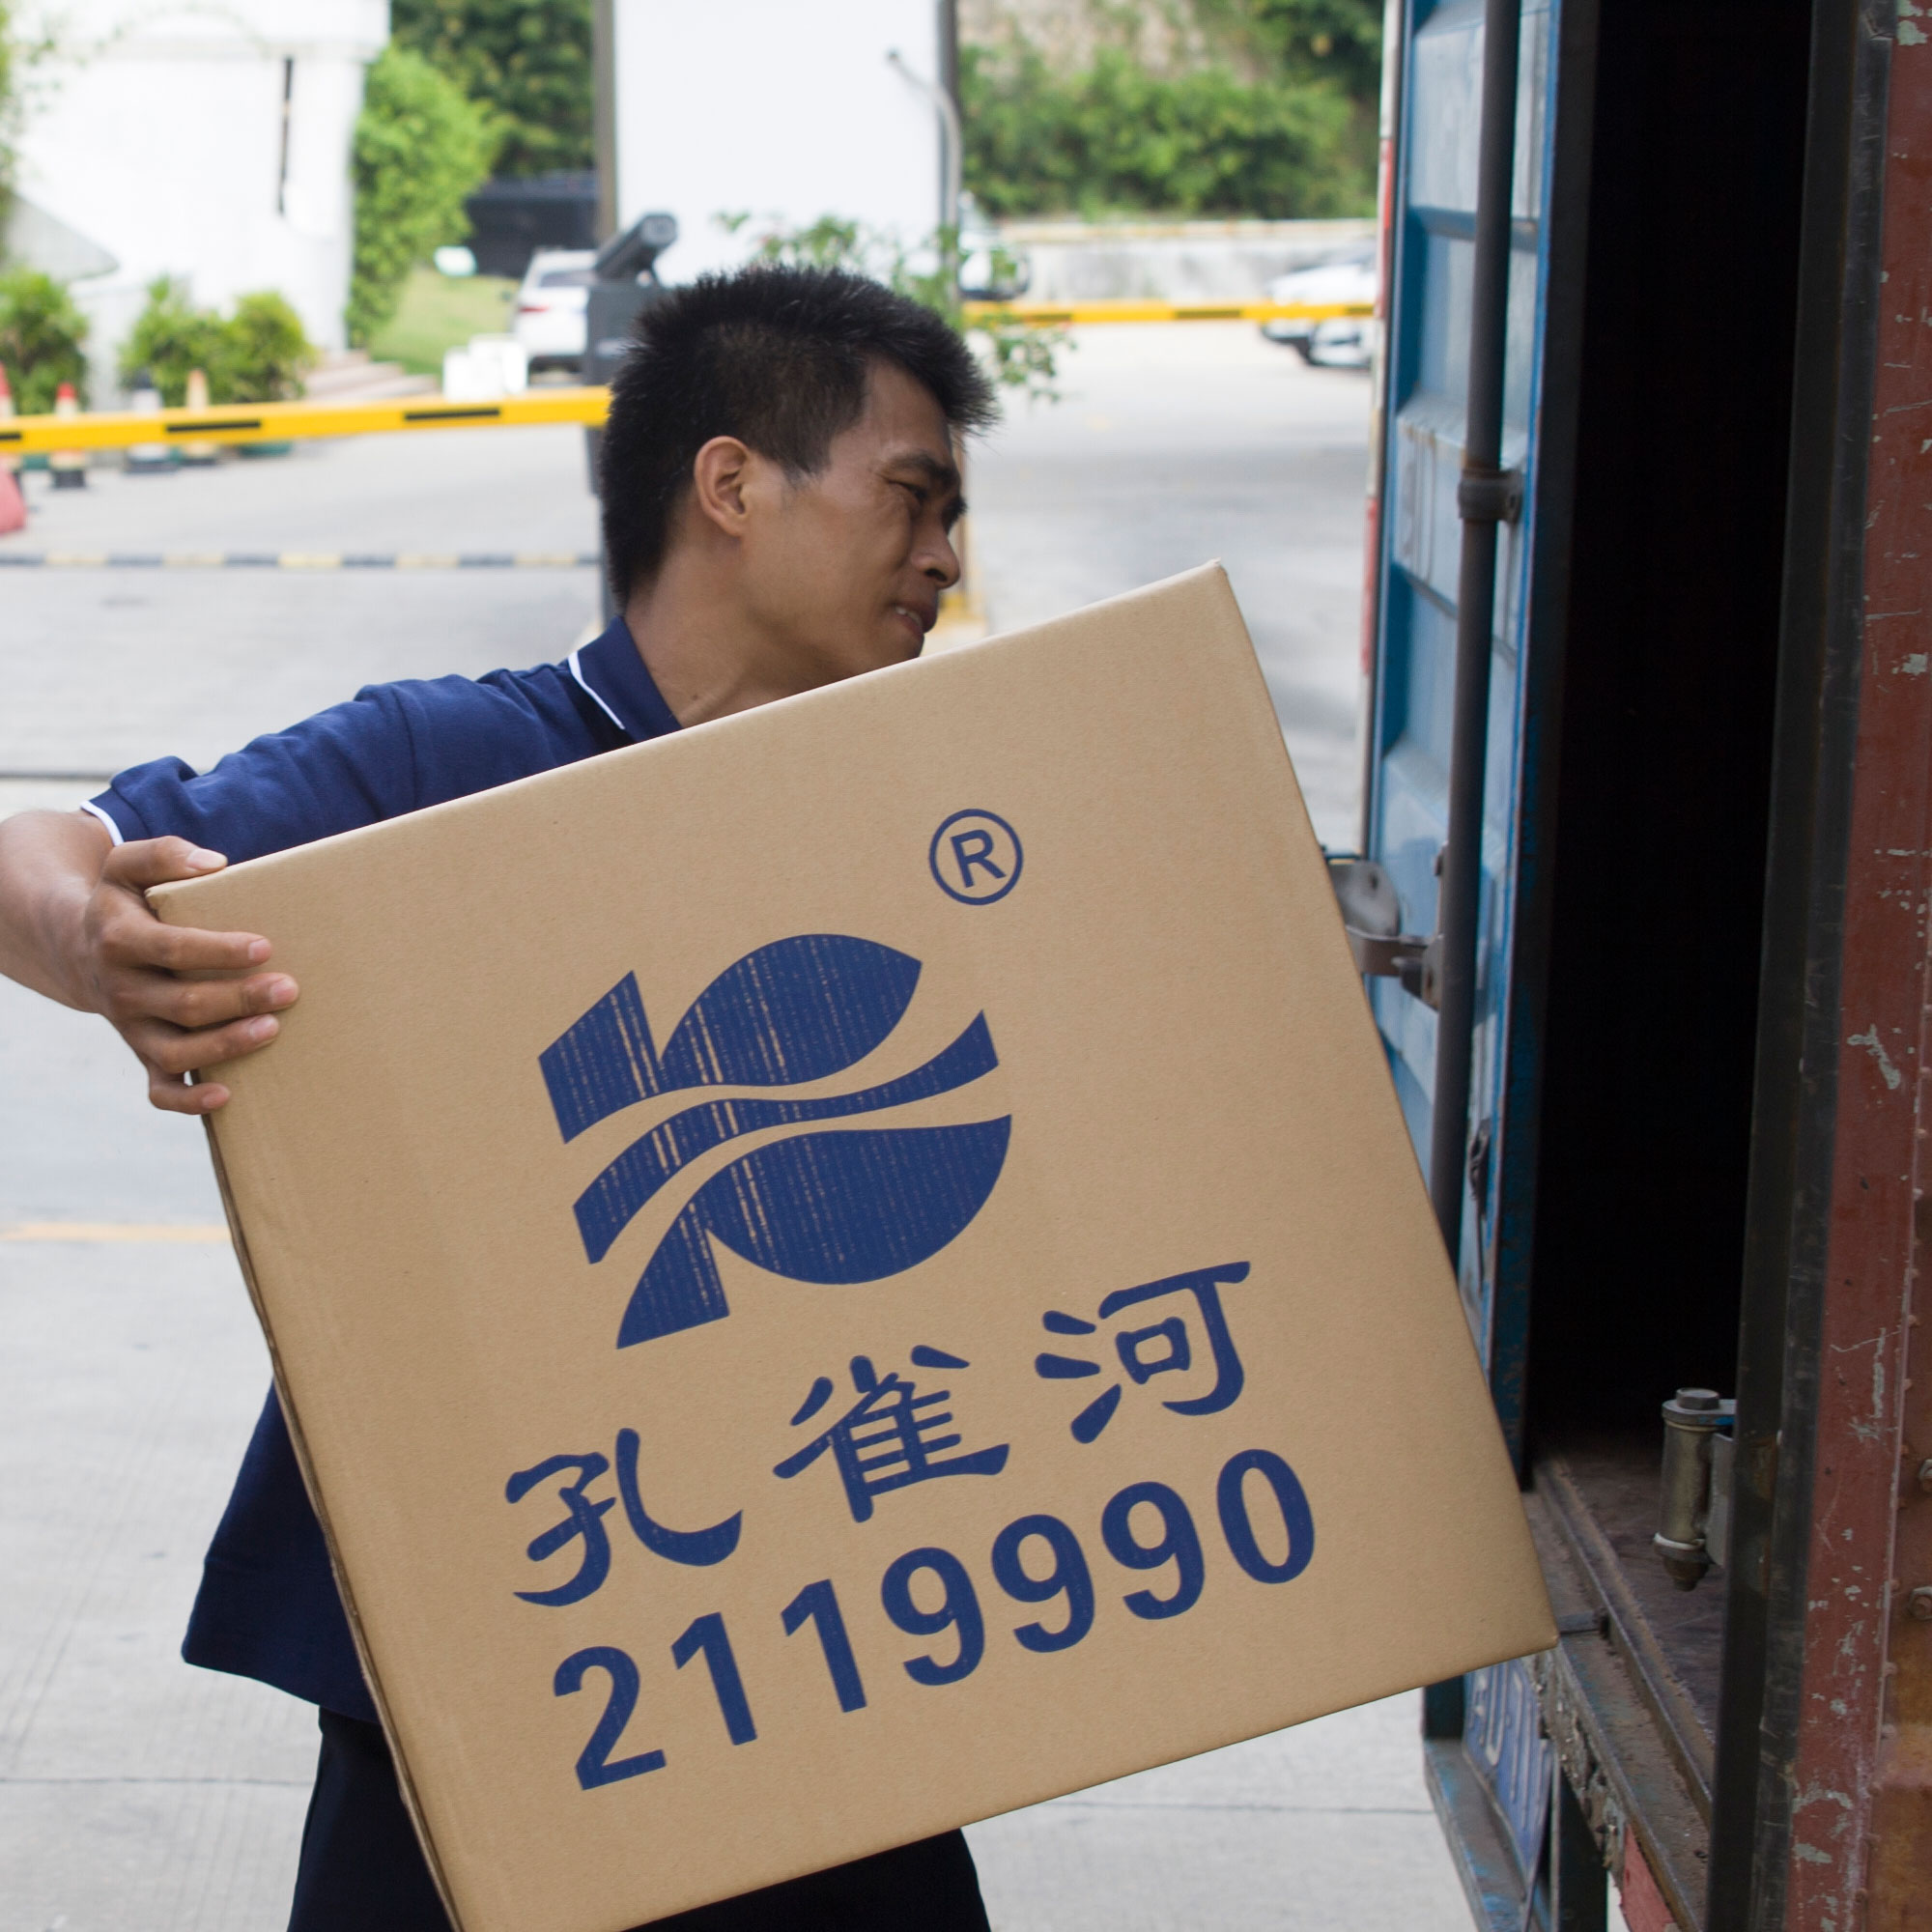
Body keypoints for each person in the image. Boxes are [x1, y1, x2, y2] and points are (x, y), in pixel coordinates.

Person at [0, 266, 1000, 1931]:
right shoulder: (440, 772)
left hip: (849, 1629)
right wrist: (93, 946)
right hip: (498, 1646)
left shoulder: (948, 815)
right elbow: (50, 850)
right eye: (915, 498)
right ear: (734, 485)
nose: (947, 557)